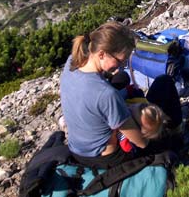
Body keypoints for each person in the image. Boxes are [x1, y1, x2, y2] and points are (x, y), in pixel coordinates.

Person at [60, 21, 148, 168]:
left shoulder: (72, 62)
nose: (121, 66)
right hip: (107, 158)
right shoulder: (106, 94)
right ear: (102, 54)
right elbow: (141, 142)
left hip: (77, 151)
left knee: (122, 78)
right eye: (120, 61)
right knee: (163, 85)